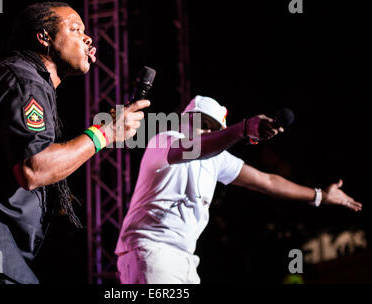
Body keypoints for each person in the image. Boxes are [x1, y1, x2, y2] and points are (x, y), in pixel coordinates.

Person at [0, 1, 149, 284]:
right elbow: (35, 168)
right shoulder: (24, 80)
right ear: (44, 37)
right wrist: (104, 133)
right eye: (75, 28)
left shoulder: (30, 82)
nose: (88, 37)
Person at [115, 95, 362, 284]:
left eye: (214, 127)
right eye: (200, 121)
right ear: (184, 120)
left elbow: (267, 182)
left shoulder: (216, 159)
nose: (207, 130)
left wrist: (319, 195)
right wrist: (242, 129)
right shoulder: (165, 140)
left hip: (185, 258)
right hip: (150, 250)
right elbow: (195, 147)